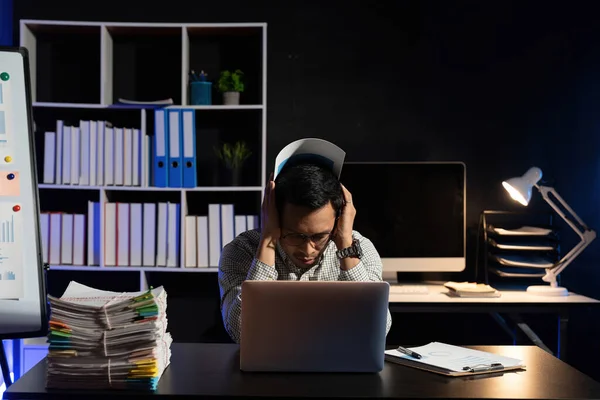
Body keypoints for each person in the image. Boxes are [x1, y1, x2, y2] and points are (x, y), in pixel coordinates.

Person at [217, 161, 393, 344]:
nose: (307, 250)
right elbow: (241, 333)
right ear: (274, 217)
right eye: (295, 235)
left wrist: (346, 246)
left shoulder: (360, 249)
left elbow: (377, 329)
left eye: (319, 236)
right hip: (268, 370)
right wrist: (268, 239)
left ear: (337, 220)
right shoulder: (241, 251)